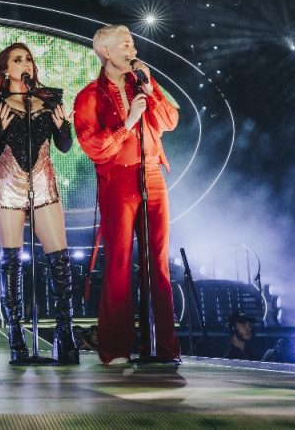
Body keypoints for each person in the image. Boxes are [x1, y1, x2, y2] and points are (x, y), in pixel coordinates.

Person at [73, 24, 180, 365]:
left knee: (157, 264)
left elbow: (169, 121)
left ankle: (162, 347)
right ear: (105, 52)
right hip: (118, 180)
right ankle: (115, 348)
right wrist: (128, 122)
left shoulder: (142, 84)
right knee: (119, 263)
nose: (132, 50)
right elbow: (94, 147)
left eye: (132, 43)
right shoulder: (89, 96)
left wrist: (151, 91)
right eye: (125, 44)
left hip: (152, 175)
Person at [0, 42, 79, 364]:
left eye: (29, 60)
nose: (26, 64)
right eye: (18, 60)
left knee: (60, 260)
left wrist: (64, 128)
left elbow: (64, 146)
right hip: (8, 182)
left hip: (42, 181)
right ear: (5, 69)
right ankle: (16, 336)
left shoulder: (50, 99)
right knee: (12, 261)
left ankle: (65, 334)